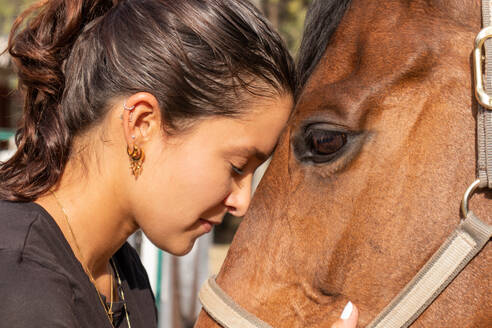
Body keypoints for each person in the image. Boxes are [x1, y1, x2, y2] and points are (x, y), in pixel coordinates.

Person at [0, 0, 358, 327]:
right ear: (142, 124)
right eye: (237, 166)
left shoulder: (124, 274)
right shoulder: (20, 282)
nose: (242, 202)